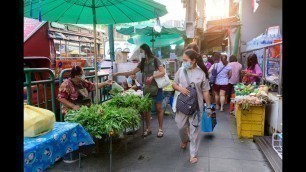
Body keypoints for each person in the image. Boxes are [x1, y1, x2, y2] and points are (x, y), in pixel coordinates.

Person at [113, 43, 166, 138]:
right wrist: (117, 73)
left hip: (157, 88)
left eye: (141, 51)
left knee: (159, 109)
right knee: (147, 110)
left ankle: (160, 129)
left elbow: (163, 72)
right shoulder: (143, 62)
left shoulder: (155, 60)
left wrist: (153, 76)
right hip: (147, 88)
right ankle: (148, 128)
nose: (140, 53)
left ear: (146, 51)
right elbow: (132, 72)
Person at [172, 49, 212, 164]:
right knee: (180, 126)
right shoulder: (180, 70)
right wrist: (180, 89)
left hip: (196, 107)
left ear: (194, 61)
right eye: (183, 60)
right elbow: (174, 84)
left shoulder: (201, 73)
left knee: (194, 131)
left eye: (185, 60)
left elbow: (205, 91)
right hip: (183, 106)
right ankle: (184, 140)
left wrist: (208, 107)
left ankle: (193, 154)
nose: (183, 62)